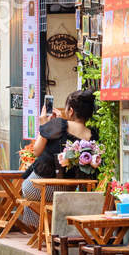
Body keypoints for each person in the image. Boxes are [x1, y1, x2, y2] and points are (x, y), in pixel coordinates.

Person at [18, 89, 96, 227]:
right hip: (67, 192)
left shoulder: (58, 124)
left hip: (38, 188)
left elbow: (36, 151)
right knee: (45, 202)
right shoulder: (92, 135)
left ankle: (39, 231)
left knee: (28, 192)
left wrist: (44, 124)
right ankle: (45, 232)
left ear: (71, 111)